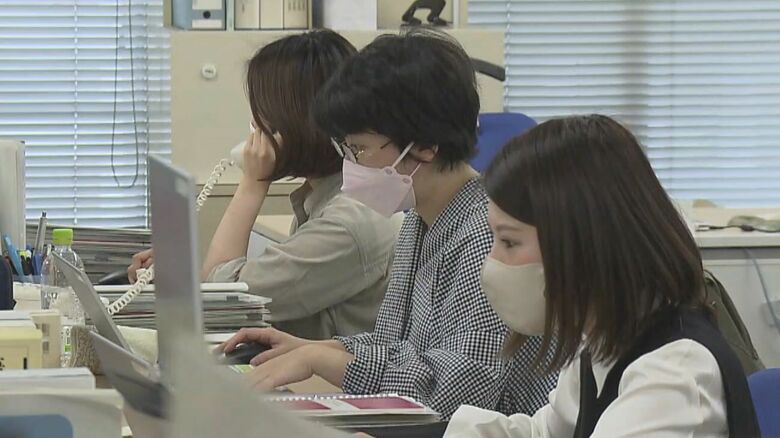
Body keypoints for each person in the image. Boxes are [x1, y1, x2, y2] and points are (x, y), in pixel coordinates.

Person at [220, 29, 557, 420]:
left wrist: (322, 360)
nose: (351, 163)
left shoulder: (486, 236)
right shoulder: (421, 218)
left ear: (426, 146)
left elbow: (457, 393)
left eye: (360, 149)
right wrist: (318, 349)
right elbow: (397, 345)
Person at [444, 115, 759, 437]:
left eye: (509, 242)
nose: (493, 260)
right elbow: (549, 432)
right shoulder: (602, 336)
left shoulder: (672, 376)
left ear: (580, 242)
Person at [129, 30, 402, 340]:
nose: (255, 133)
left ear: (292, 123)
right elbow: (231, 291)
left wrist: (253, 182)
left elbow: (224, 302)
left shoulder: (348, 222)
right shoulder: (323, 197)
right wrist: (182, 279)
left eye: (262, 121)